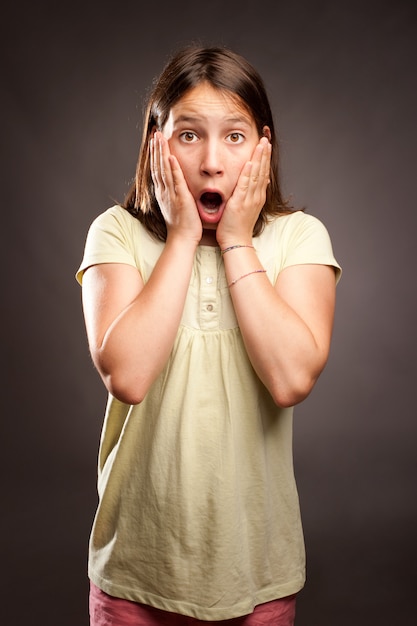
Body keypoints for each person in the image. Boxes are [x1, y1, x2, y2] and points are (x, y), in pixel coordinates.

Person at [76, 44, 342, 626]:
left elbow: (292, 377)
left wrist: (237, 241)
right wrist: (178, 240)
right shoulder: (115, 233)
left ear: (264, 147)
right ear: (156, 141)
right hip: (134, 578)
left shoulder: (299, 238)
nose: (213, 163)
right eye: (189, 135)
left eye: (235, 136)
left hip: (257, 577)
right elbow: (128, 375)